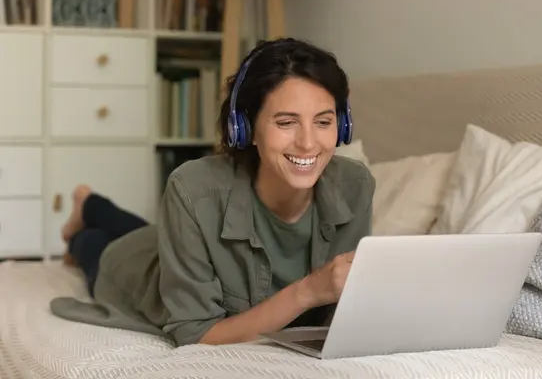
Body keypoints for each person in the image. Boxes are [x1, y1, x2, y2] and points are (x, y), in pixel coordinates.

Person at [50, 37, 375, 347]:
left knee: (150, 233)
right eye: (286, 122)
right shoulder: (192, 188)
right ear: (246, 128)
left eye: (323, 122)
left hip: (174, 241)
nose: (307, 143)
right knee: (97, 245)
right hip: (137, 271)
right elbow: (197, 334)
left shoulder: (354, 186)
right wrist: (307, 292)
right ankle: (86, 214)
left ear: (342, 125)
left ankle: (89, 203)